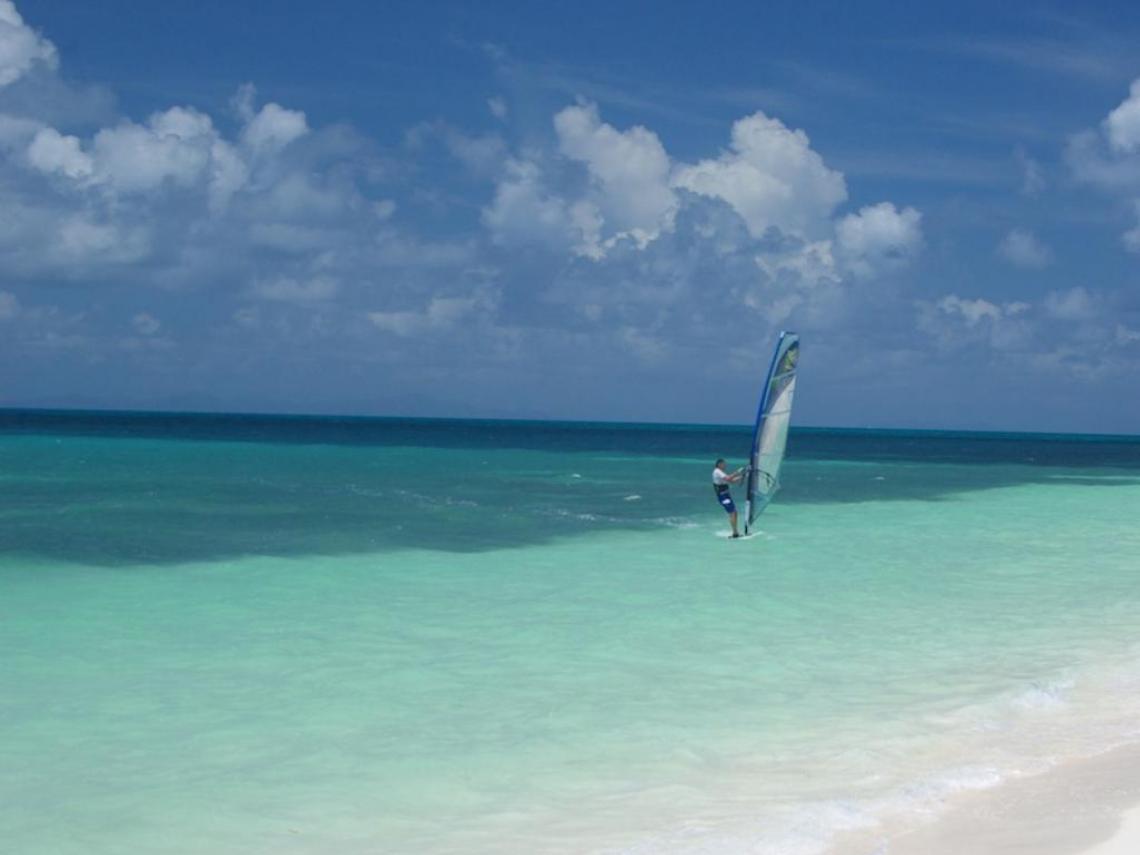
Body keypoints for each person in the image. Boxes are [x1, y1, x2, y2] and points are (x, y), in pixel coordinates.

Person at [712, 458, 745, 538]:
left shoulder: (721, 472)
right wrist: (738, 472)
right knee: (732, 512)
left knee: (735, 512)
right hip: (723, 496)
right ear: (719, 464)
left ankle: (735, 532)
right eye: (724, 464)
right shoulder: (717, 471)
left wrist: (742, 476)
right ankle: (735, 533)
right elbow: (728, 478)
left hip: (726, 495)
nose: (725, 465)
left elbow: (731, 481)